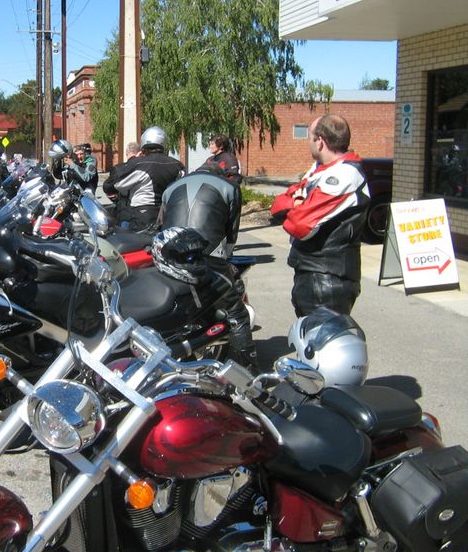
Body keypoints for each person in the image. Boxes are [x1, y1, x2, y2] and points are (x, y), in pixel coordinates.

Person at [158, 163, 259, 373]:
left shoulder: (170, 188)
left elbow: (162, 224)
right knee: (236, 314)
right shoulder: (229, 188)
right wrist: (225, 258)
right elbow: (231, 233)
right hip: (206, 259)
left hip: (169, 259)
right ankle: (249, 372)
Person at [270, 114, 370, 317]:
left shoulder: (344, 175)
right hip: (311, 275)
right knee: (306, 334)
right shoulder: (319, 170)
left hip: (328, 281)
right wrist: (297, 204)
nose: (308, 143)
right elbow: (279, 205)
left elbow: (300, 224)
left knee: (321, 336)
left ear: (320, 142)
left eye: (309, 138)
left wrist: (298, 205)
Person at [104, 126, 184, 231]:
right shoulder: (177, 165)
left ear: (144, 143)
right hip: (169, 216)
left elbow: (110, 185)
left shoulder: (138, 164)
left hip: (143, 216)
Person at [103, 141, 140, 224]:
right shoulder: (145, 167)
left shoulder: (119, 168)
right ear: (139, 153)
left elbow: (107, 187)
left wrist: (116, 197)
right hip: (142, 211)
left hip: (125, 210)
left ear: (126, 152)